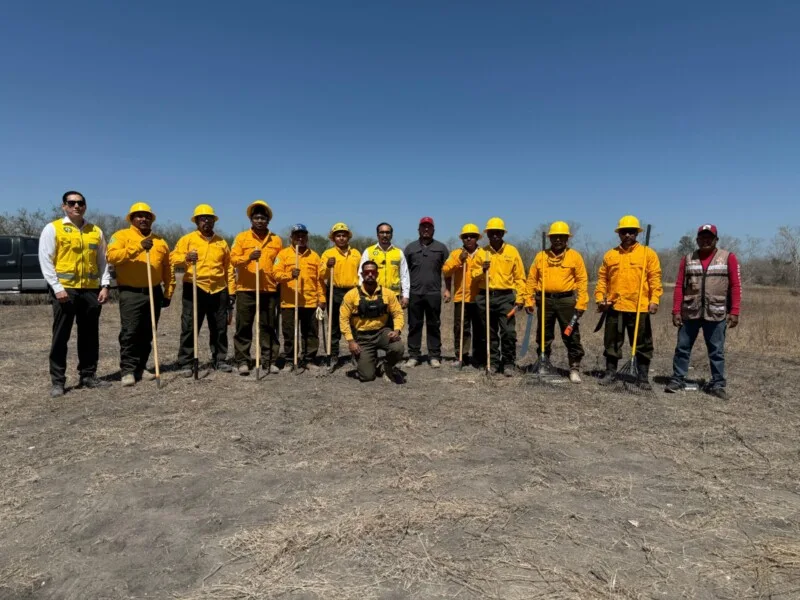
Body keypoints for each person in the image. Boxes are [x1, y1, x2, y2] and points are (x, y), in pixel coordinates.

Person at [38, 191, 112, 397]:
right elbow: (46, 259)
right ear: (64, 206)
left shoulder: (95, 231)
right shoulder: (53, 229)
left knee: (89, 335)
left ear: (85, 206)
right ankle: (58, 381)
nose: (76, 206)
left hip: (90, 290)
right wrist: (57, 287)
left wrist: (105, 285)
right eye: (71, 203)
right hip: (65, 290)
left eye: (80, 203)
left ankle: (88, 375)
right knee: (61, 336)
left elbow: (103, 261)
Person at [665, 224, 741, 400]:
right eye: (702, 237)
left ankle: (718, 384)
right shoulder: (688, 258)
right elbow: (679, 286)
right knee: (682, 348)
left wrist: (735, 310)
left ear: (716, 240)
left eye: (710, 237)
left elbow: (736, 286)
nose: (706, 240)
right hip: (690, 311)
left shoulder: (728, 257)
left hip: (716, 313)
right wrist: (676, 310)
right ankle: (677, 379)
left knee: (716, 351)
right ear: (697, 239)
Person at [107, 202, 175, 386]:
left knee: (148, 332)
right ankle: (128, 370)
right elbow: (111, 257)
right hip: (131, 293)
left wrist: (168, 292)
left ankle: (141, 367)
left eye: (147, 216)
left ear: (151, 219)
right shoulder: (121, 236)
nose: (143, 218)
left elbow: (168, 269)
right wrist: (138, 247)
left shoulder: (160, 241)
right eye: (139, 215)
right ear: (132, 218)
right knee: (130, 332)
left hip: (154, 291)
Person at [595, 215, 662, 389]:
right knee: (612, 343)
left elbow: (655, 279)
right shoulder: (611, 255)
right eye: (624, 232)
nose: (627, 235)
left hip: (639, 307)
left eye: (631, 232)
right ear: (619, 234)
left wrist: (654, 300)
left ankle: (642, 377)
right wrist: (600, 298)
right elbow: (602, 279)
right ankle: (610, 373)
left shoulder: (648, 254)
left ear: (637, 234)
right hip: (615, 306)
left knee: (642, 344)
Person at [171, 204, 236, 374]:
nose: (206, 221)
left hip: (218, 289)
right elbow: (173, 259)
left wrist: (232, 292)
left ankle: (219, 359)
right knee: (190, 325)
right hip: (194, 286)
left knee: (219, 327)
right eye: (202, 218)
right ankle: (185, 361)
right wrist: (186, 257)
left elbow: (229, 268)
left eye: (209, 218)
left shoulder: (221, 242)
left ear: (214, 221)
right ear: (196, 221)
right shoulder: (187, 239)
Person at [524, 221, 589, 383]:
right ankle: (543, 363)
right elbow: (532, 279)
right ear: (550, 238)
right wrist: (528, 299)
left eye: (562, 237)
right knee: (544, 334)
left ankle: (574, 367)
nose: (558, 240)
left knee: (571, 334)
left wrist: (582, 303)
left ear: (567, 239)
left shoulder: (575, 256)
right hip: (545, 300)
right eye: (555, 237)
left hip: (566, 301)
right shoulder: (541, 256)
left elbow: (582, 281)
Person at [230, 200, 283, 375]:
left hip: (269, 289)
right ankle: (243, 361)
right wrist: (249, 257)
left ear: (268, 220)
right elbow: (233, 260)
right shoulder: (241, 238)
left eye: (263, 218)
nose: (260, 221)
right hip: (246, 289)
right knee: (244, 326)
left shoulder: (276, 240)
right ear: (251, 220)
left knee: (268, 326)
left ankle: (269, 360)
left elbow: (280, 264)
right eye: (256, 218)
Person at [471, 217, 527, 376]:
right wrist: (482, 269)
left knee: (508, 332)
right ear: (487, 234)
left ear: (503, 234)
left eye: (498, 232)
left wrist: (521, 297)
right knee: (489, 332)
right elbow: (473, 276)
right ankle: (493, 363)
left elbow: (520, 277)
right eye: (492, 233)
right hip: (486, 297)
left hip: (506, 297)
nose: (495, 235)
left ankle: (508, 362)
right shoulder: (482, 252)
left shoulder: (512, 251)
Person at [340, 260, 405, 382]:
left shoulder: (388, 293)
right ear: (362, 274)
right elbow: (343, 319)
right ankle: (364, 359)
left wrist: (397, 330)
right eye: (367, 272)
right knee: (367, 377)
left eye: (373, 272)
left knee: (398, 347)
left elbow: (398, 313)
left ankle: (386, 365)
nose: (370, 274)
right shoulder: (351, 295)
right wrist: (350, 341)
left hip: (382, 333)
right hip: (362, 337)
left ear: (377, 274)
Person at [273, 224, 326, 369]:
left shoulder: (314, 256)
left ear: (307, 237)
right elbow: (276, 274)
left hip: (310, 302)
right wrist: (290, 275)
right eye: (297, 236)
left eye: (303, 236)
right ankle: (290, 359)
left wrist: (322, 299)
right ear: (292, 238)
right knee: (289, 333)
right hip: (290, 302)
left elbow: (319, 280)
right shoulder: (283, 255)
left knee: (311, 333)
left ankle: (309, 359)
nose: (300, 238)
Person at [404, 217, 449, 368]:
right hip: (415, 293)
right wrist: (403, 293)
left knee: (434, 324)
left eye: (429, 227)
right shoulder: (410, 248)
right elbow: (404, 272)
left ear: (433, 230)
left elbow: (447, 271)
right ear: (419, 229)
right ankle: (413, 355)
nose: (426, 229)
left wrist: (447, 289)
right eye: (423, 227)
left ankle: (434, 356)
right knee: (414, 325)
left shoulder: (441, 248)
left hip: (433, 293)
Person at [320, 222, 361, 370]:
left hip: (352, 292)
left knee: (354, 324)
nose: (341, 238)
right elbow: (321, 274)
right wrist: (327, 266)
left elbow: (361, 273)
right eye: (338, 235)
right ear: (333, 238)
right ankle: (333, 355)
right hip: (334, 291)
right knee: (334, 325)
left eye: (344, 235)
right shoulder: (327, 254)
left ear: (348, 237)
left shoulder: (356, 253)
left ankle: (356, 354)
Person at [442, 223, 485, 368]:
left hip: (479, 298)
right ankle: (461, 356)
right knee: (461, 328)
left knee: (480, 328)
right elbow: (446, 271)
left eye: (472, 236)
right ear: (462, 239)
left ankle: (479, 357)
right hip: (461, 297)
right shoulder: (455, 254)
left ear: (477, 238)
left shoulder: (484, 253)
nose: (469, 239)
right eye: (466, 237)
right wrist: (459, 259)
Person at [359, 222, 410, 308]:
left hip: (394, 296)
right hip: (374, 295)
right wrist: (361, 293)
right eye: (382, 232)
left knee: (395, 321)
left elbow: (404, 275)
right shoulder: (369, 251)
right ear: (377, 235)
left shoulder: (399, 253)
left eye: (387, 232)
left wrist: (405, 296)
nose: (385, 235)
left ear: (391, 235)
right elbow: (361, 273)